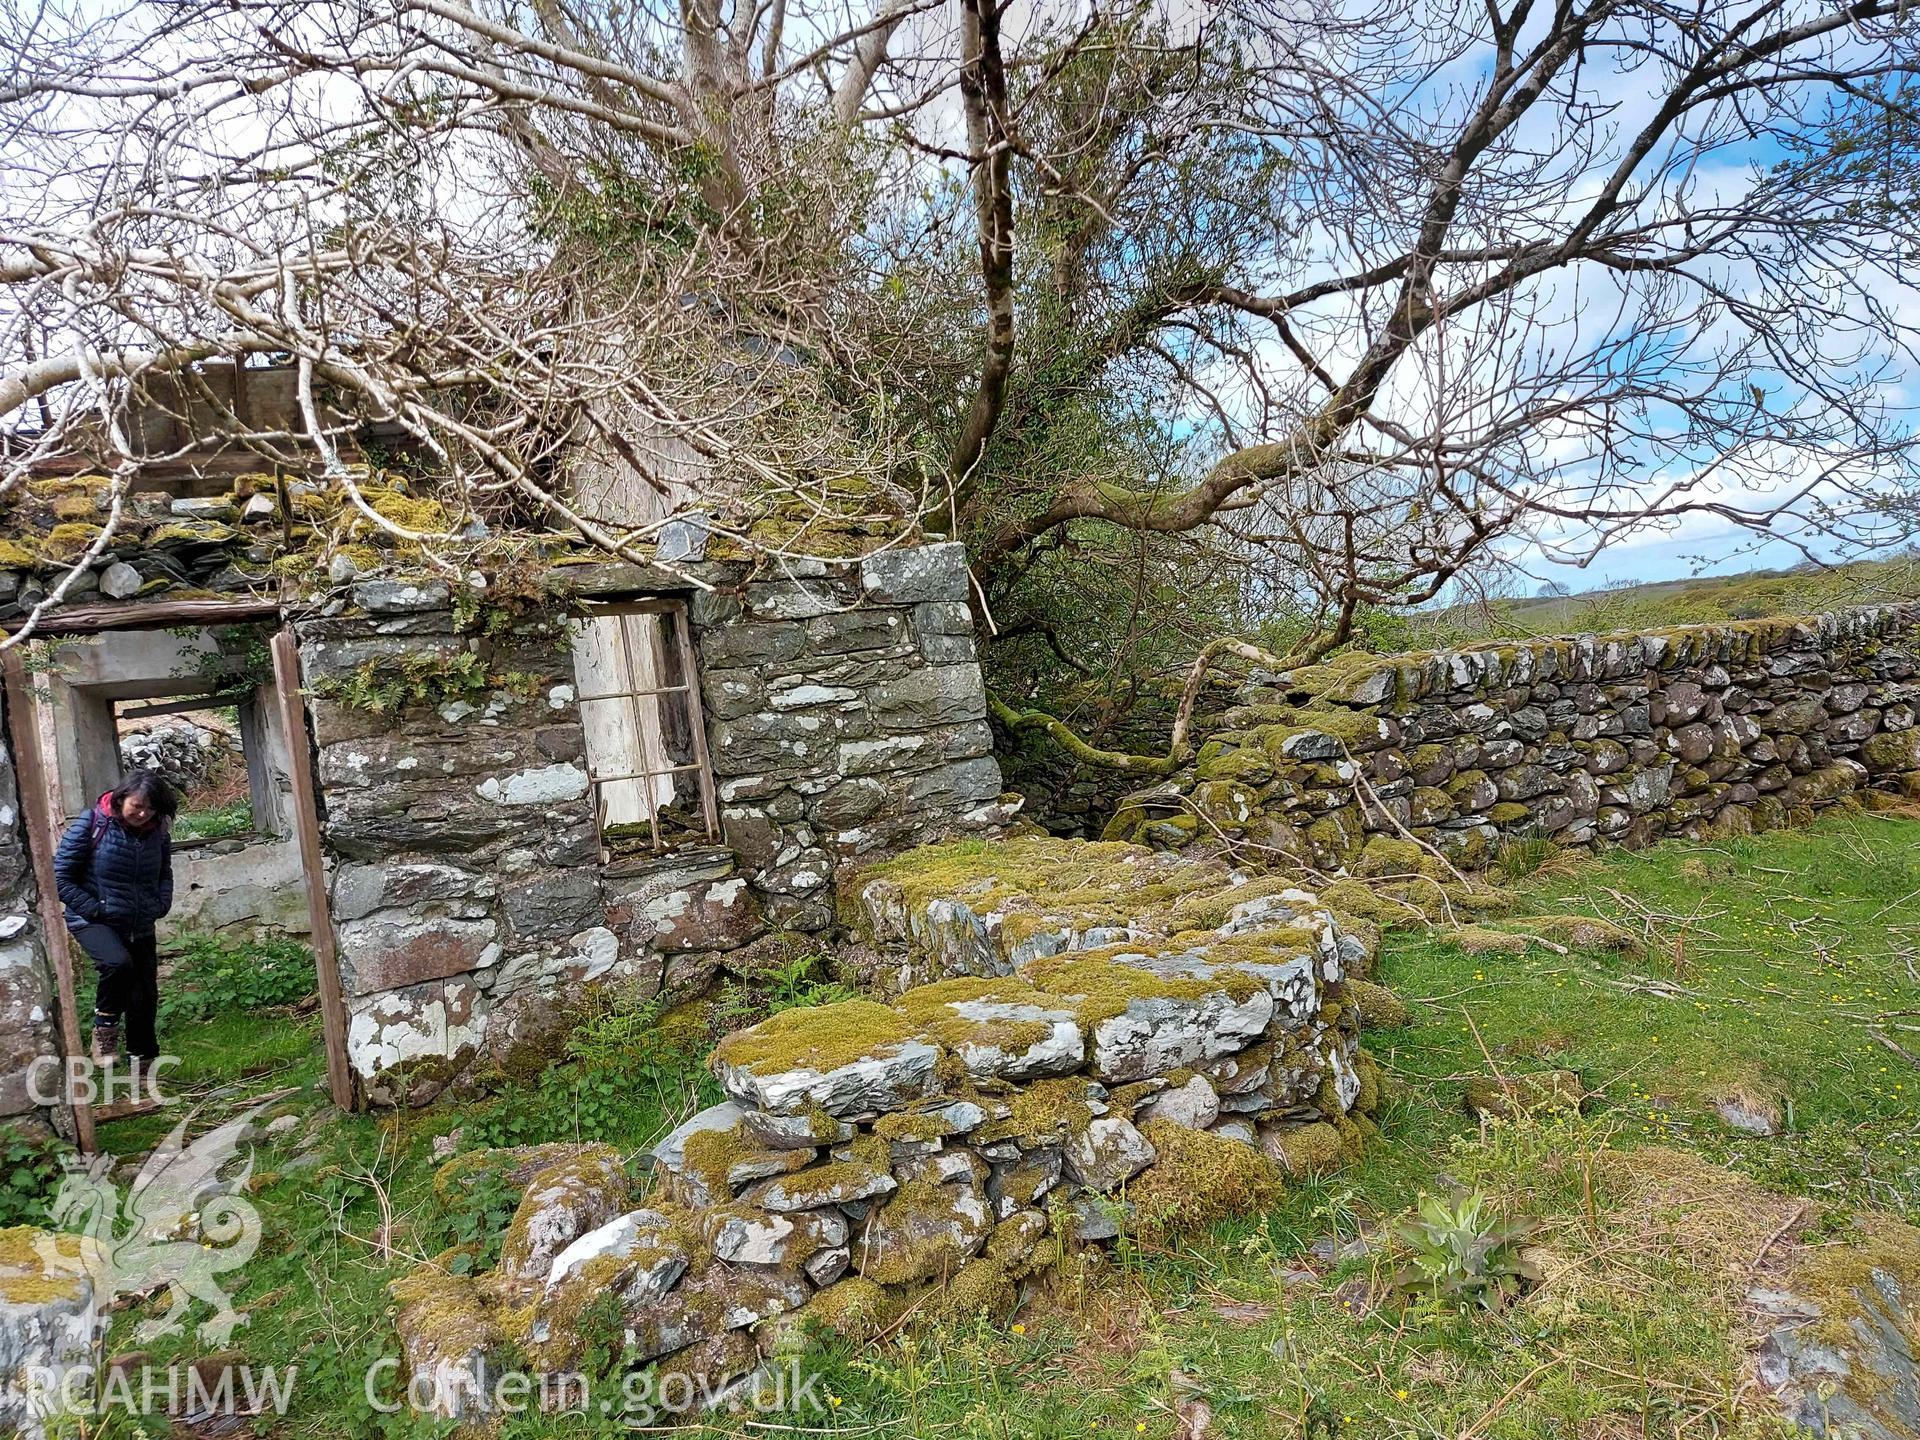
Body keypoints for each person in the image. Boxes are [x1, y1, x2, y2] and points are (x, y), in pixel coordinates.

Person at [51, 768, 177, 1067]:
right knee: (117, 963)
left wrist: (160, 904)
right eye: (137, 806)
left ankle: (143, 1061)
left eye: (151, 808)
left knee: (144, 994)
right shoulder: (92, 824)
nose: (143, 813)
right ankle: (104, 1031)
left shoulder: (158, 833)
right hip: (92, 919)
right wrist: (95, 909)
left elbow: (164, 874)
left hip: (138, 921)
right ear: (121, 799)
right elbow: (59, 877)